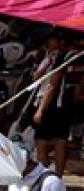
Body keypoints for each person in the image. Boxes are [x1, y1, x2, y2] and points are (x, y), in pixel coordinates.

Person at [27, 31, 80, 176]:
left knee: (42, 140)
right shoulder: (78, 56)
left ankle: (43, 174)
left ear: (61, 42)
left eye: (51, 40)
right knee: (60, 140)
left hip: (52, 103)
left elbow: (52, 85)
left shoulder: (60, 57)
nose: (48, 44)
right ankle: (58, 176)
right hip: (68, 105)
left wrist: (40, 110)